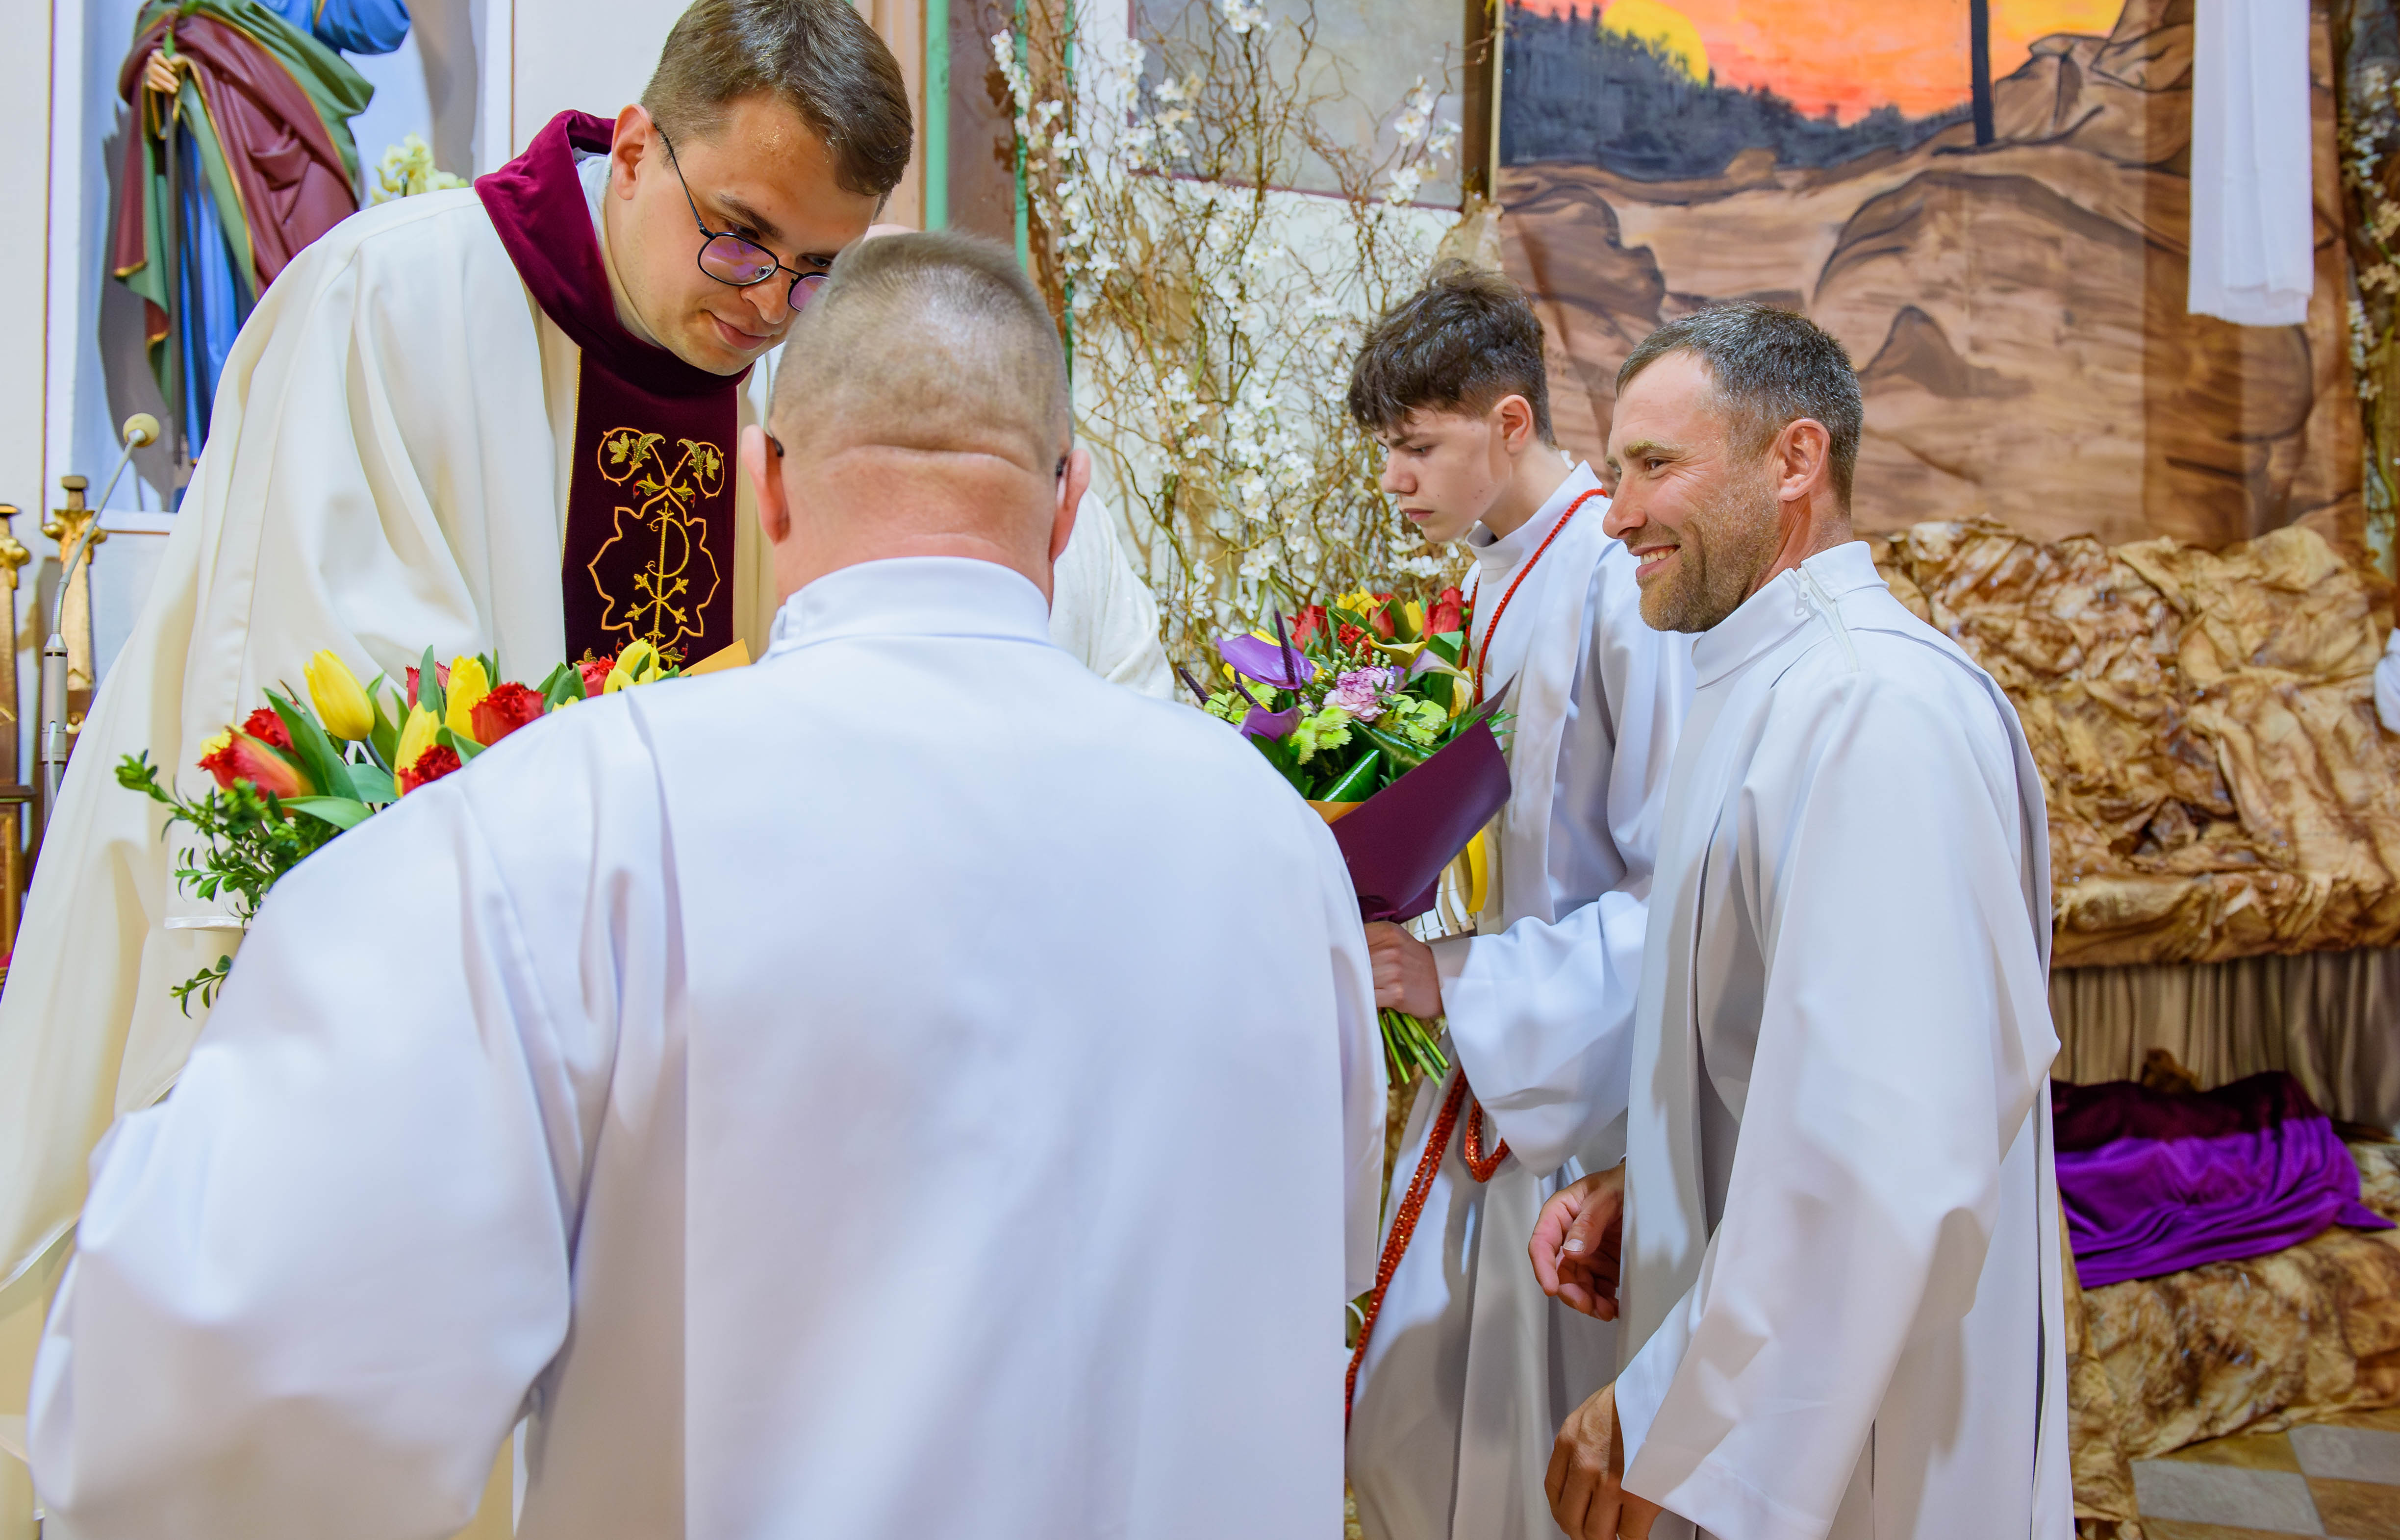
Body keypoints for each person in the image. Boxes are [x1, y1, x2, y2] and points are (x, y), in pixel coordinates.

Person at [27, 232, 1386, 1540]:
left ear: (766, 481)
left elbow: (223, 1401)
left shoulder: (581, 817)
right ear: (1069, 500)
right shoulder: (1272, 845)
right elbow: (1313, 1258)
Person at [0, 0, 1171, 1319]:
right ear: (634, 149)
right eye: (740, 237)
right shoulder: (395, 300)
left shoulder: (808, 375)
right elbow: (340, 710)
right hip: (444, 1062)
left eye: (816, 268)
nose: (769, 305)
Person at [1526, 303, 2070, 1540]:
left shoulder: (1872, 709)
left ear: (1793, 459)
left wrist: (1667, 1403)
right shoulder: (1772, 684)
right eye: (1614, 470)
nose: (1614, 515)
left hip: (1863, 1430)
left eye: (1654, 464)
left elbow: (1880, 1149)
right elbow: (1786, 1048)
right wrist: (1665, 1176)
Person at [1342, 264, 1691, 1540]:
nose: (1394, 479)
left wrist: (1459, 978)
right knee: (1422, 1412)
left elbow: (1670, 892)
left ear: (1506, 421)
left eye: (1417, 446)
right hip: (1489, 1052)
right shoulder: (1490, 574)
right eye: (1386, 450)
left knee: (1523, 1436)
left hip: (1577, 1095)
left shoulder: (1618, 586)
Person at [122, 0, 412, 456]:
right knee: (218, 306)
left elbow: (387, 21)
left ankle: (311, 464)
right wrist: (156, 68)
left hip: (305, 142)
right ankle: (224, 462)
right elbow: (165, 19)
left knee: (319, 302)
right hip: (216, 150)